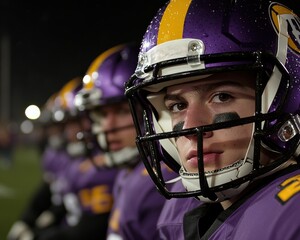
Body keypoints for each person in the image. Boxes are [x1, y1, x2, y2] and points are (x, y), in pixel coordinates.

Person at [125, 0, 300, 239]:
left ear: (287, 99)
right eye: (177, 105)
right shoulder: (181, 210)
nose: (191, 127)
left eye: (222, 96)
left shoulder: (290, 215)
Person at [75, 43, 177, 239]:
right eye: (101, 115)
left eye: (122, 111)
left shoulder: (159, 183)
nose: (107, 126)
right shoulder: (129, 171)